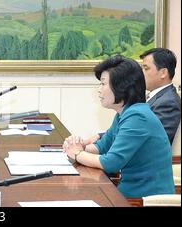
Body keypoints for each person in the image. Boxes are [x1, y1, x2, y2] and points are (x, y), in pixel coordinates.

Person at [63, 55, 174, 198]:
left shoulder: (137, 117)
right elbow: (102, 146)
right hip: (129, 193)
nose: (99, 90)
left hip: (145, 199)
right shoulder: (125, 112)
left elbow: (111, 163)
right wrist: (77, 146)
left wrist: (78, 154)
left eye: (103, 84)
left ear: (121, 86)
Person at [85, 48, 180, 145]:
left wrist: (78, 153)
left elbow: (153, 140)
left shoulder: (168, 102)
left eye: (146, 68)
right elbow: (133, 131)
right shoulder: (157, 97)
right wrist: (100, 137)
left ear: (163, 73)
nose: (141, 72)